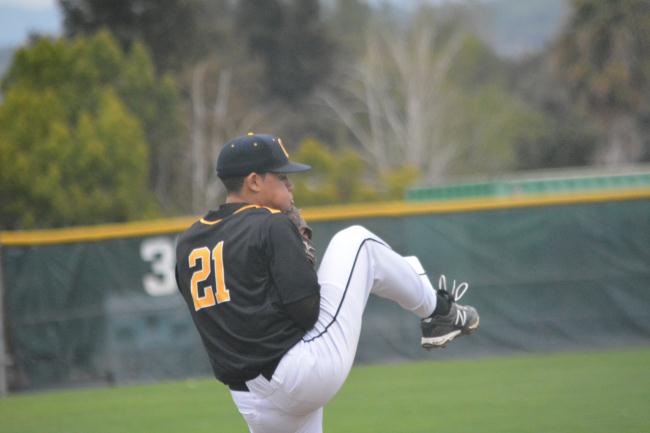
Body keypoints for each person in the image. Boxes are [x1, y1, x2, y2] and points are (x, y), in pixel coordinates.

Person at [175, 133, 479, 433]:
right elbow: (307, 312)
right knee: (358, 242)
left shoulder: (188, 242)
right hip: (297, 375)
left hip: (249, 400)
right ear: (254, 181)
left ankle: (431, 301)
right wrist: (303, 262)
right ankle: (440, 312)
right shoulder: (270, 223)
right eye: (281, 177)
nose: (290, 185)